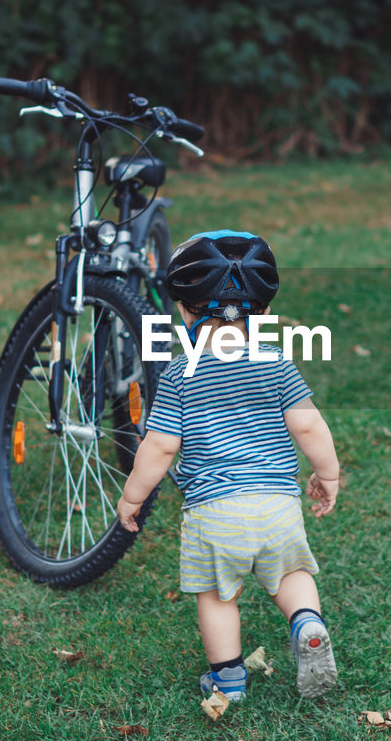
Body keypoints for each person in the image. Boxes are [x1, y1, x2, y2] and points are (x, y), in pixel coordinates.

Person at [116, 229, 340, 702]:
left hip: (214, 513)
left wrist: (132, 496)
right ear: (262, 312)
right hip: (278, 505)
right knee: (292, 575)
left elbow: (159, 448)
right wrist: (328, 474)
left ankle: (228, 679)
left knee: (219, 597)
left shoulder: (180, 372)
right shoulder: (276, 362)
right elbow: (309, 427)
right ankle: (308, 624)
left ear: (184, 310)